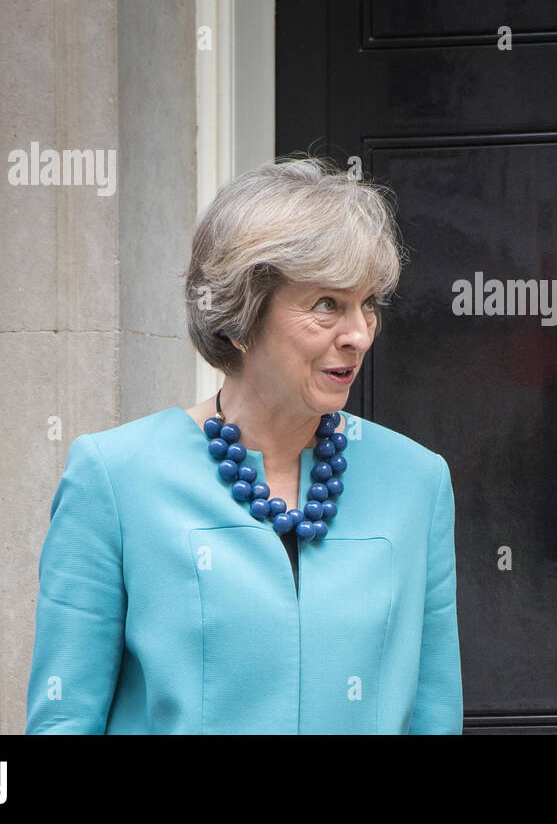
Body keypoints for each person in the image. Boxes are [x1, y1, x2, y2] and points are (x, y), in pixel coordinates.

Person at [25, 157, 462, 733]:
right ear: (239, 316)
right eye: (328, 304)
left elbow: (434, 715)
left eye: (368, 305)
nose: (357, 334)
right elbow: (64, 719)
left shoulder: (416, 481)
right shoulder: (115, 477)